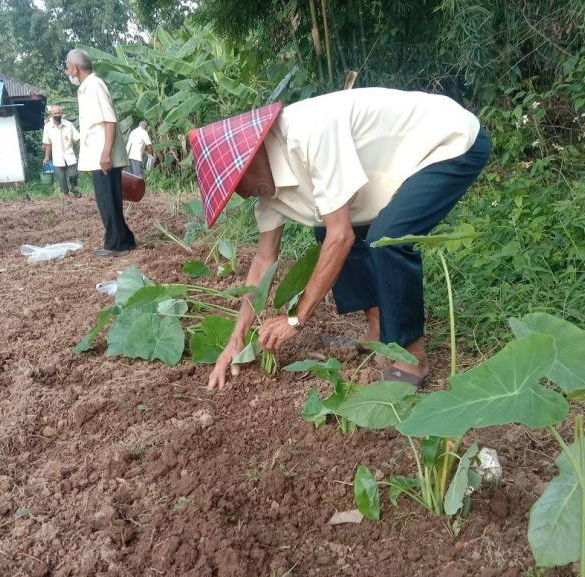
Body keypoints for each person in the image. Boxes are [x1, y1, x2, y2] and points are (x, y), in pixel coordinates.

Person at [189, 88, 491, 390]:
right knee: (325, 230)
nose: (241, 193)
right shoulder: (266, 192)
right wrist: (236, 339)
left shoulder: (308, 133)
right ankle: (378, 325)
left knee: (388, 238)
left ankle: (411, 355)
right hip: (391, 165)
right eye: (232, 192)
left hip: (448, 140)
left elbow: (342, 236)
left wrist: (296, 318)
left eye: (237, 182)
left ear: (253, 153)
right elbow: (263, 260)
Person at [65, 48, 136, 258]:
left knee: (108, 201)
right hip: (99, 155)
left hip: (103, 156)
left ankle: (116, 245)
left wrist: (106, 153)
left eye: (68, 68)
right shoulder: (88, 87)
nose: (68, 73)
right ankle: (125, 240)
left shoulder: (95, 86)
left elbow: (110, 120)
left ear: (75, 68)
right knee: (108, 200)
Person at [42, 105, 81, 197]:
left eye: (59, 113)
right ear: (51, 114)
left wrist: (82, 151)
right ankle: (66, 195)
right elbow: (47, 143)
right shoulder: (47, 127)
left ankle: (73, 188)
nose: (57, 115)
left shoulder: (68, 125)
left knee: (74, 175)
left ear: (61, 113)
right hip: (57, 157)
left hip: (70, 155)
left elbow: (78, 138)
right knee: (61, 178)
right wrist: (47, 157)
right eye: (55, 113)